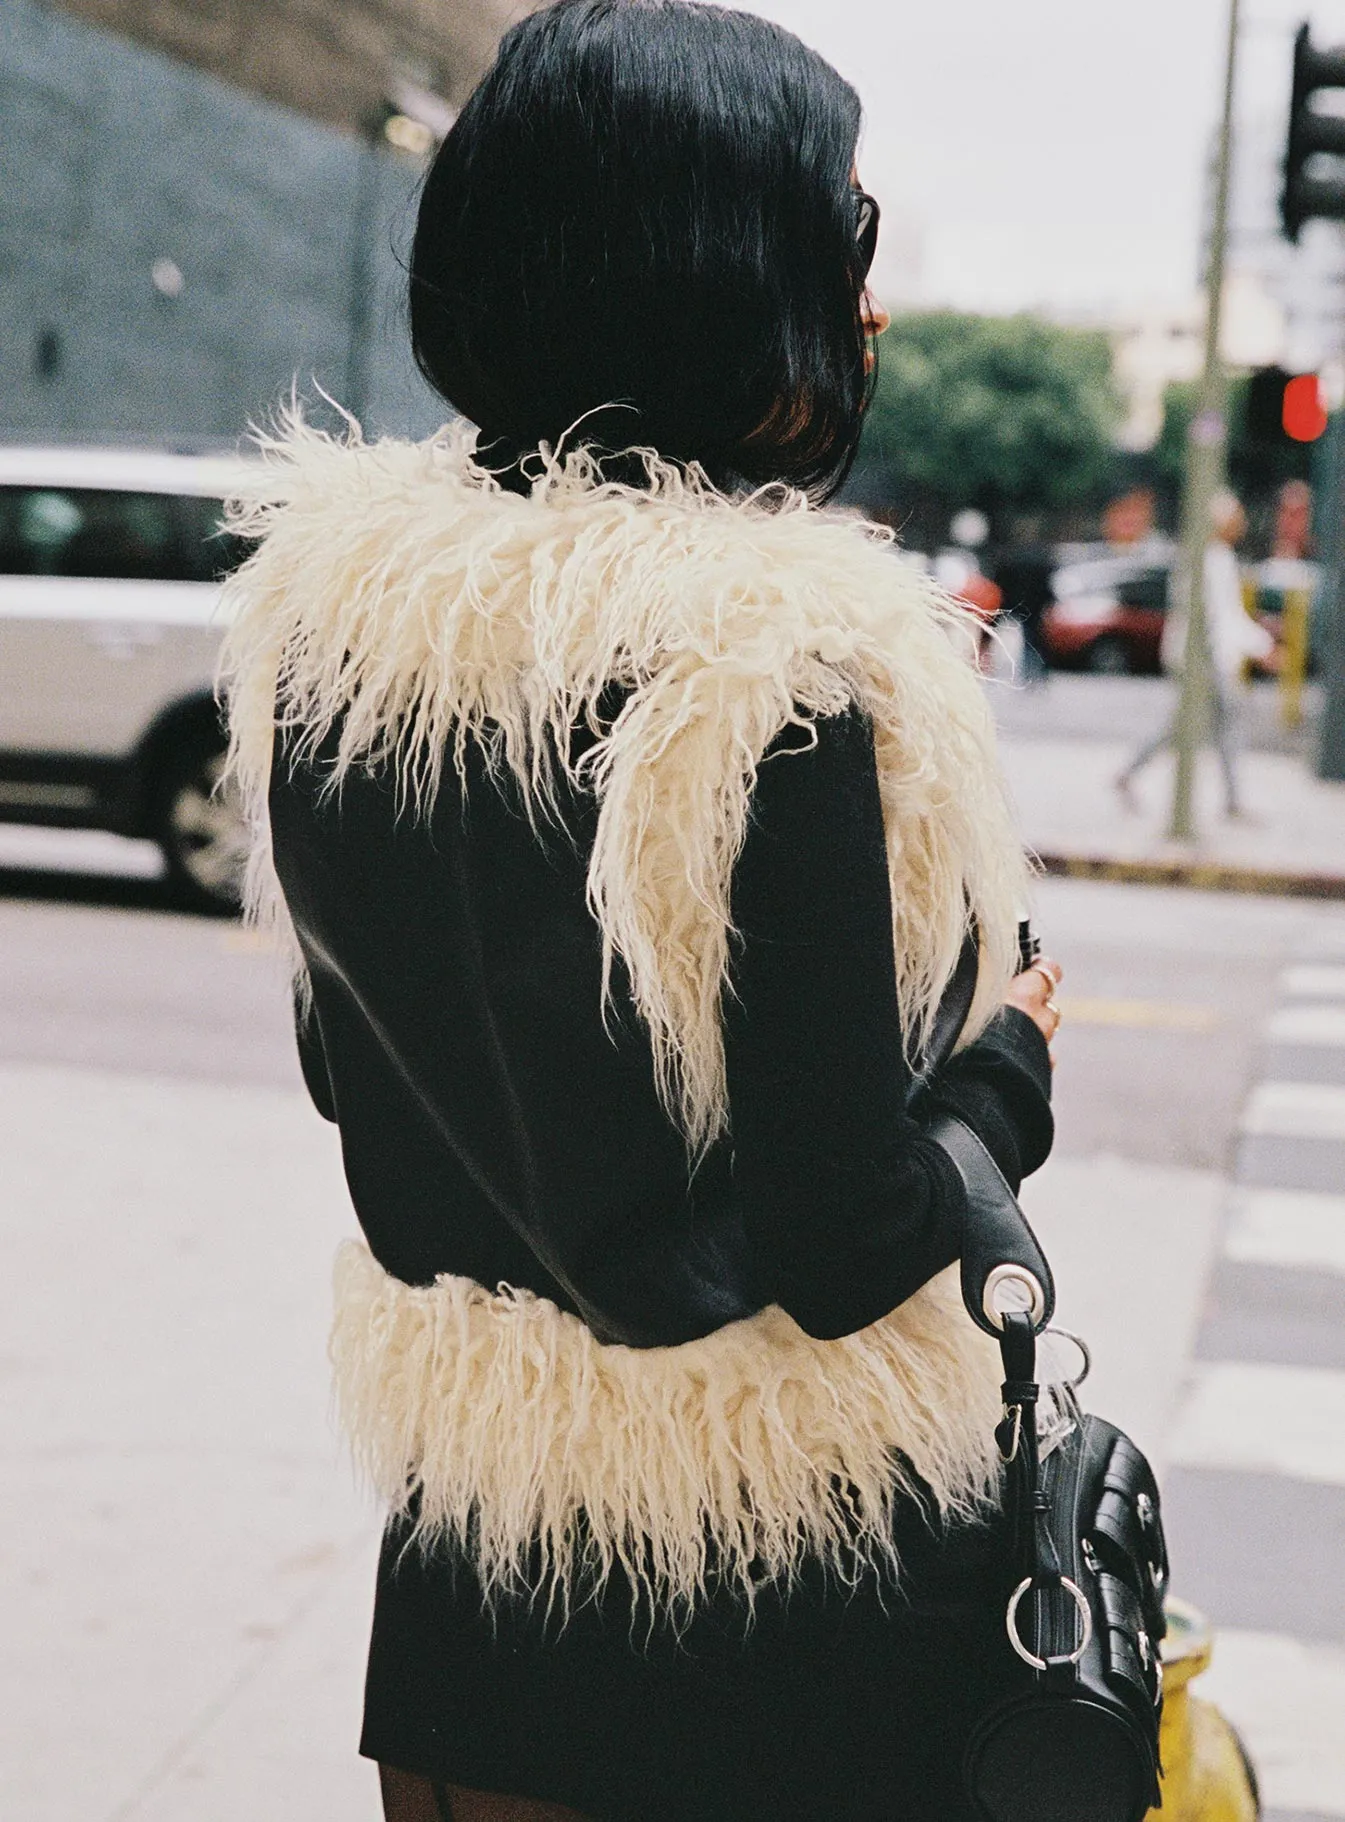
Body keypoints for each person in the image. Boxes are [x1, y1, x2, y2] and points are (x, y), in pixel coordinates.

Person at [220, 5, 1062, 1817]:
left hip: (467, 1583)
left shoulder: (333, 648)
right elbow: (841, 1242)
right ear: (719, 275)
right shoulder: (778, 680)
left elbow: (347, 1069)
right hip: (751, 1616)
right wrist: (1006, 1069)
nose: (873, 309)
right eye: (844, 241)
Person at [1116, 489, 1276, 818]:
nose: (1241, 525)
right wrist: (1262, 647)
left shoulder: (1204, 556)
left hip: (1200, 657)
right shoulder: (1213, 559)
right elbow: (1222, 615)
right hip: (1206, 659)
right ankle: (1231, 801)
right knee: (1219, 724)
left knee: (1189, 724)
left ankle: (1130, 772)